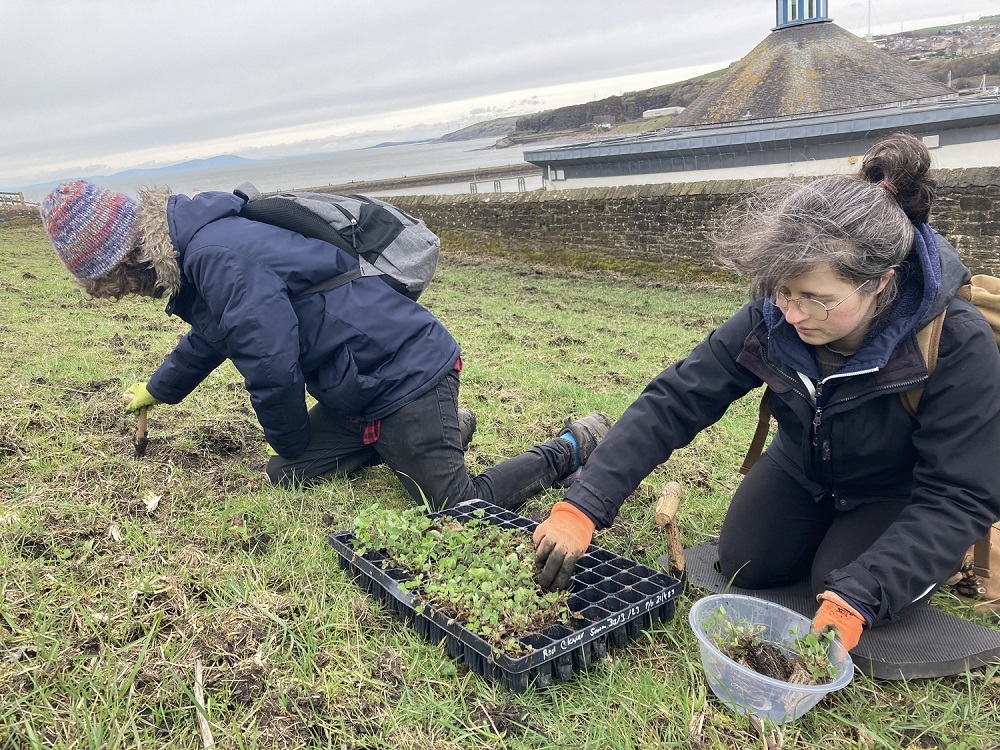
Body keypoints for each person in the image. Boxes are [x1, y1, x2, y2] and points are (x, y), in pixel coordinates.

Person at [532, 133, 1000, 651]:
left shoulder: (954, 341)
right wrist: (585, 506)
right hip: (803, 467)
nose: (793, 314)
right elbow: (676, 399)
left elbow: (960, 493)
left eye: (816, 300)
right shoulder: (774, 317)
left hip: (898, 492)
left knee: (842, 582)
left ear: (881, 283)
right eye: (783, 291)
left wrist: (861, 595)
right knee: (744, 565)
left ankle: (885, 567)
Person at [39, 180, 612, 511]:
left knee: (455, 507)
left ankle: (572, 445)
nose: (121, 295)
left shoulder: (215, 255)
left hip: (405, 370)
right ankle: (445, 430)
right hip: (358, 383)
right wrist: (158, 391)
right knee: (289, 473)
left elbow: (271, 362)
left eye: (110, 283)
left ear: (126, 257)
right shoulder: (198, 249)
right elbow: (213, 333)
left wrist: (289, 435)